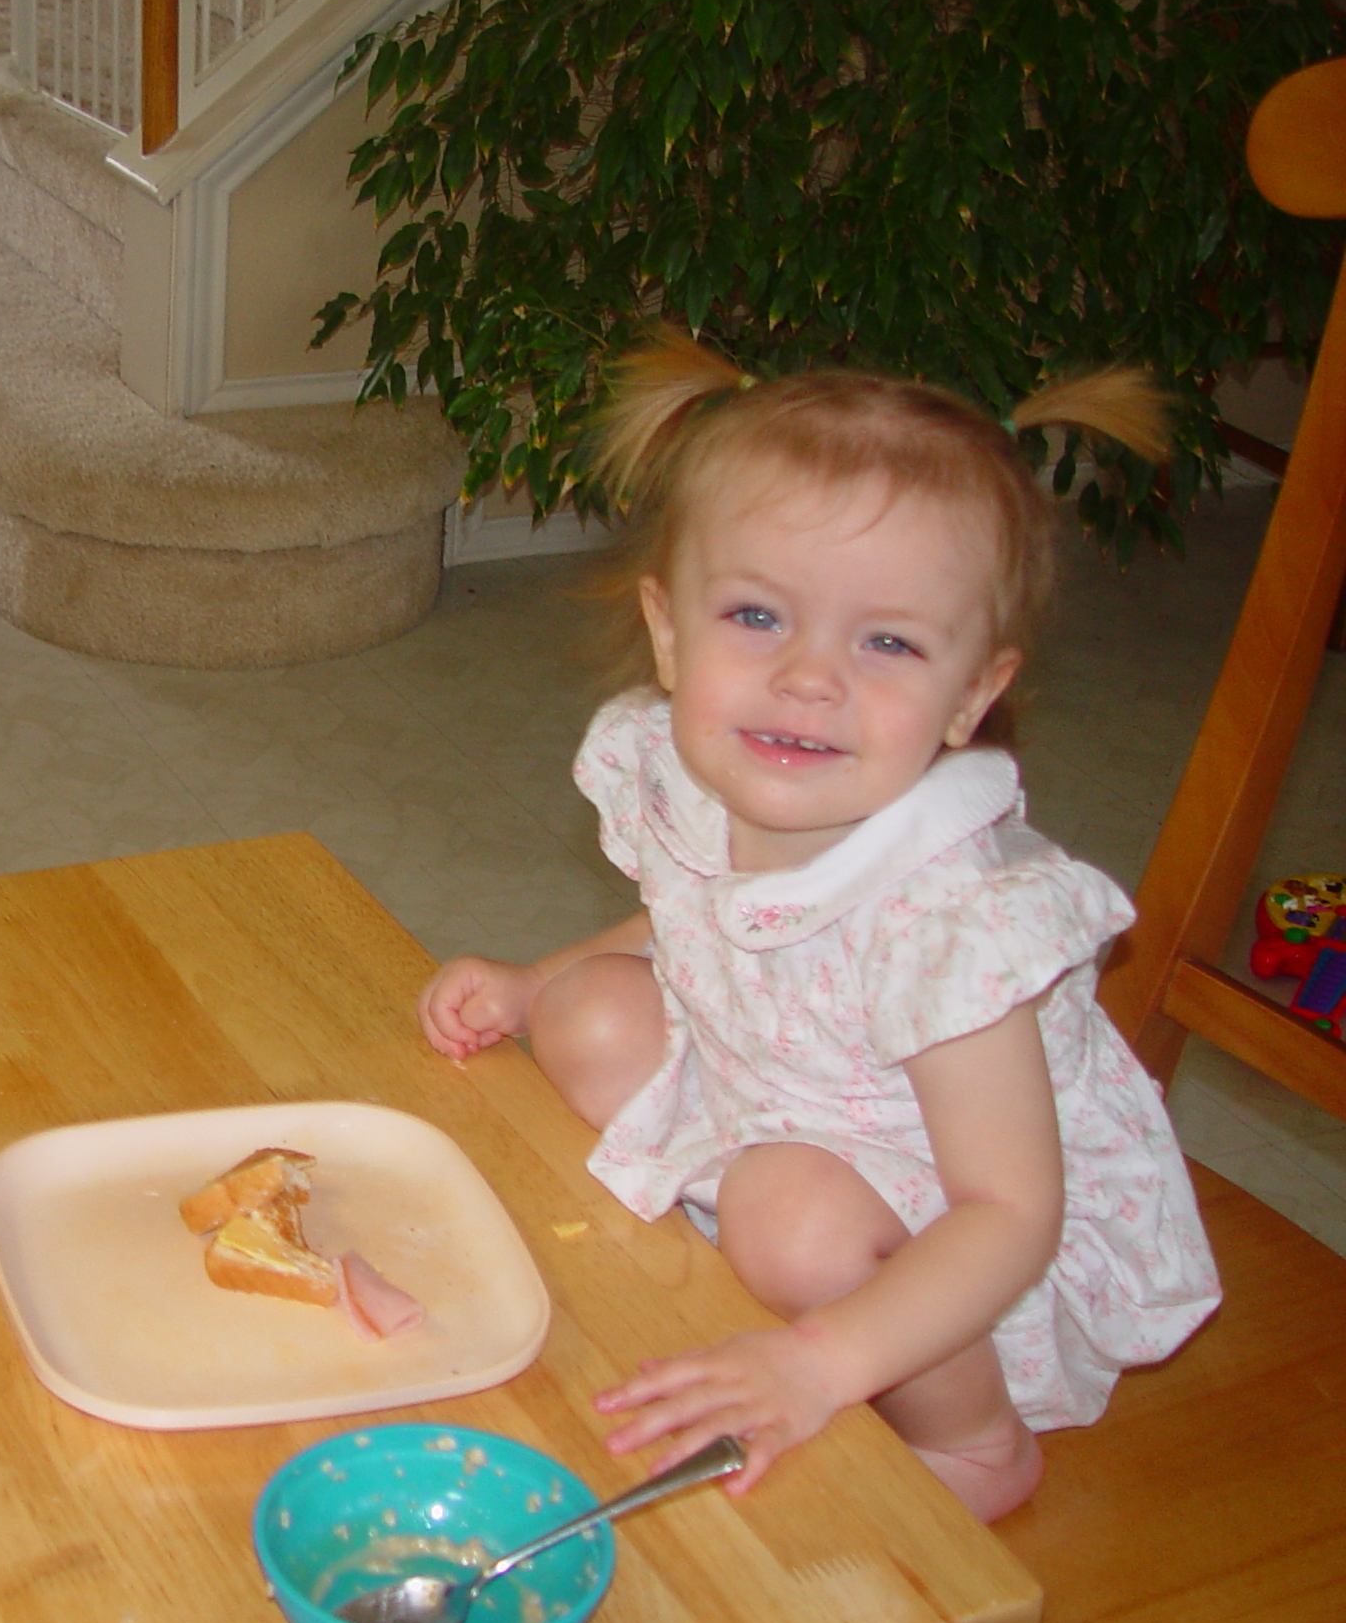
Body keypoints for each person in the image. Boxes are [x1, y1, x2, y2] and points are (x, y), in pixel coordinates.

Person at [419, 328, 1220, 1522]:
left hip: (958, 1223)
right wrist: (536, 985)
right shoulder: (691, 778)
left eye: (887, 642)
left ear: (972, 698)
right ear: (669, 632)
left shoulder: (956, 918)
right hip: (779, 1095)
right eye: (755, 617)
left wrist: (816, 1364)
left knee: (787, 1212)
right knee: (590, 1017)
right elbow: (694, 922)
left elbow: (1010, 1214)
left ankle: (977, 1442)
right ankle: (751, 1247)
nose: (809, 678)